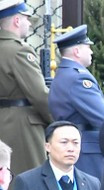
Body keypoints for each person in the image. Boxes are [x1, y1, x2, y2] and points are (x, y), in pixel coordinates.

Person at [48, 24, 104, 179]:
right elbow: (103, 117)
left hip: (73, 143)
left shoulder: (63, 74)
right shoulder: (79, 78)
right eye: (88, 47)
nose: (91, 51)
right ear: (77, 51)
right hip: (86, 149)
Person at [0, 0, 52, 175]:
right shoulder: (20, 51)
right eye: (26, 18)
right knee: (29, 182)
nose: (29, 23)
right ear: (16, 20)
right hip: (22, 127)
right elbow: (39, 95)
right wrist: (57, 123)